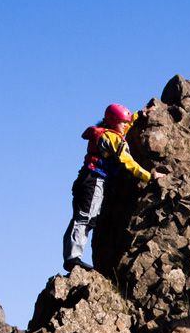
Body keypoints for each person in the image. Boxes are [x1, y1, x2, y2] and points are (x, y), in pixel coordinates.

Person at [63, 103, 164, 272]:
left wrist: (140, 114)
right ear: (113, 121)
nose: (126, 124)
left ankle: (72, 256)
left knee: (84, 217)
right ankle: (73, 258)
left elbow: (125, 126)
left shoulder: (107, 132)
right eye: (122, 122)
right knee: (85, 218)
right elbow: (128, 162)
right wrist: (149, 176)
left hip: (87, 179)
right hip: (94, 181)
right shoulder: (112, 138)